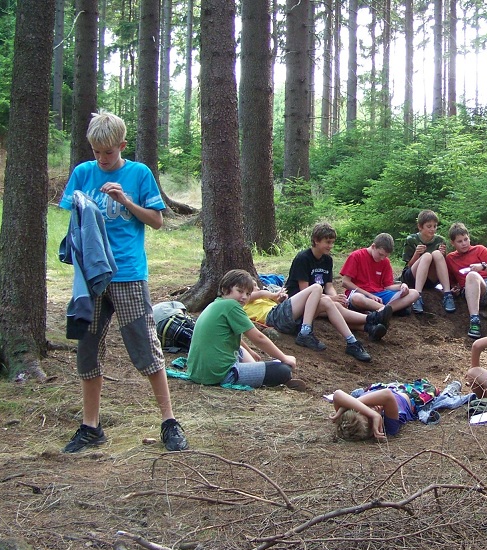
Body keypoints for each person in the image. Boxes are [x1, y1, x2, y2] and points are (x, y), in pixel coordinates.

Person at [59, 111, 188, 453]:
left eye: (108, 152)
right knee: (87, 348)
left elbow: (157, 221)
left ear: (122, 145)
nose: (102, 159)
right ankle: (91, 427)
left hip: (128, 273)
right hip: (90, 277)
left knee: (145, 346)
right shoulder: (83, 173)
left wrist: (125, 201)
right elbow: (72, 215)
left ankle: (169, 422)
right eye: (96, 152)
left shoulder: (138, 173)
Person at [187, 270, 304, 389]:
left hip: (198, 373)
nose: (244, 297)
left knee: (241, 349)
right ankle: (263, 374)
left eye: (248, 294)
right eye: (240, 291)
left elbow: (231, 338)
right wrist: (284, 358)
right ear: (225, 289)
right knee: (283, 370)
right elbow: (258, 338)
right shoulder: (231, 306)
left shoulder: (216, 304)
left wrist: (250, 351)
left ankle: (254, 368)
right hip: (219, 374)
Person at [285, 222, 392, 344]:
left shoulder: (327, 260)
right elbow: (305, 290)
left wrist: (338, 298)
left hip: (319, 299)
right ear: (316, 240)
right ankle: (372, 319)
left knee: (335, 307)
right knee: (333, 307)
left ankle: (369, 328)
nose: (330, 246)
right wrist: (332, 299)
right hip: (298, 302)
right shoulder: (303, 258)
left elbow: (329, 286)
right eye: (327, 242)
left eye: (332, 242)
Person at [243, 281, 374, 362]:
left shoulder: (262, 298)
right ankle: (305, 332)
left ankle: (352, 342)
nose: (257, 287)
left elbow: (283, 307)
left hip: (284, 317)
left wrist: (280, 299)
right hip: (273, 317)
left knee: (326, 301)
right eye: (253, 286)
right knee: (316, 287)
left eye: (256, 285)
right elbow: (259, 295)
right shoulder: (244, 300)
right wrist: (270, 294)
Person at [340, 233, 420, 316]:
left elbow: (387, 286)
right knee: (357, 298)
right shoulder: (356, 256)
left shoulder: (385, 261)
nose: (382, 258)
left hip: (380, 295)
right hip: (361, 294)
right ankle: (388, 310)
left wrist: (401, 286)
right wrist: (369, 295)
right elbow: (345, 282)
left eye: (385, 256)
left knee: (414, 293)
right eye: (380, 254)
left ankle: (381, 311)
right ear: (373, 246)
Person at [401, 210, 456, 314]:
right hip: (412, 277)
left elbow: (442, 264)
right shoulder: (411, 239)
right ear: (420, 226)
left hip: (430, 279)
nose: (432, 229)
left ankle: (447, 294)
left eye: (435, 226)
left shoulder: (440, 240)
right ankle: (417, 296)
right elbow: (408, 265)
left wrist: (443, 254)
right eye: (429, 226)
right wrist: (417, 254)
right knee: (426, 256)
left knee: (437, 254)